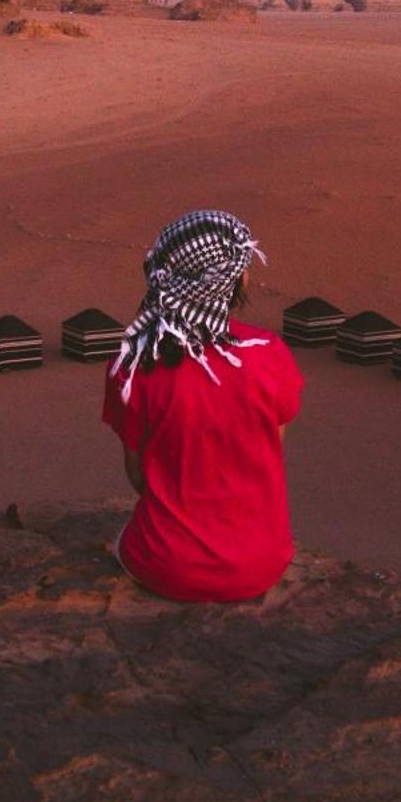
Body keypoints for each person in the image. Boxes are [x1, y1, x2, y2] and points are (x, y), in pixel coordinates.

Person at [101, 209, 303, 602]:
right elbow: (269, 450)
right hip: (263, 563)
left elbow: (139, 477)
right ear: (238, 279)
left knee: (126, 540)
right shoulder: (270, 354)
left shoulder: (133, 367)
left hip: (167, 567)